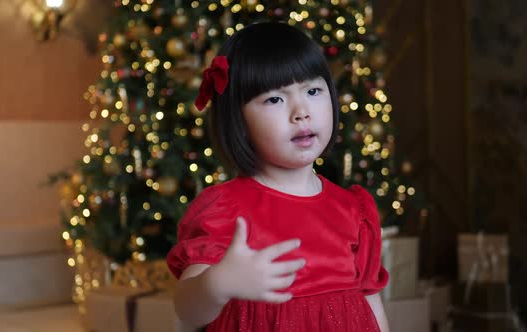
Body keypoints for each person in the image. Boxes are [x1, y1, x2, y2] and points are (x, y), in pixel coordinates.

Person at [167, 21, 390, 332]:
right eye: (274, 99)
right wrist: (218, 284)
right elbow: (187, 311)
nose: (301, 112)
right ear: (238, 118)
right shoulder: (226, 210)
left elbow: (371, 303)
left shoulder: (354, 209)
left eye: (313, 90)